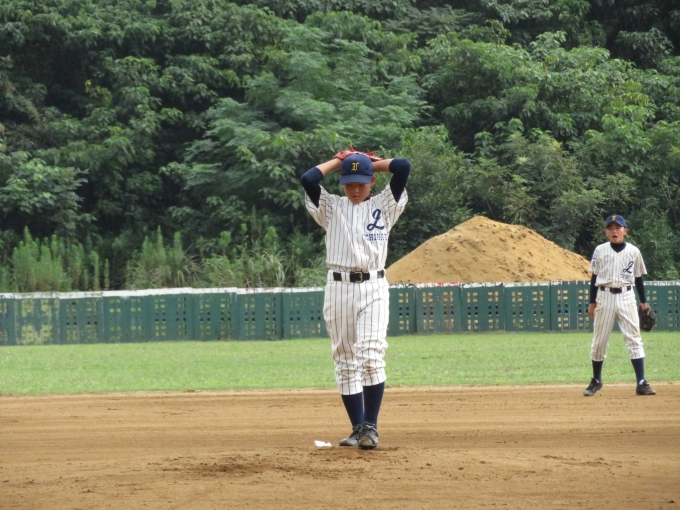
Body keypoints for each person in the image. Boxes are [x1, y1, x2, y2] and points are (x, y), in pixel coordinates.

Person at [300, 149, 410, 449]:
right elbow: (308, 179)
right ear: (342, 183)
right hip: (338, 288)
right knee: (345, 359)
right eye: (349, 183)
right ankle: (358, 428)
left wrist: (369, 162)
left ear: (372, 181)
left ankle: (371, 427)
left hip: (374, 286)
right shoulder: (331, 207)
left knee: (371, 354)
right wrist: (340, 162)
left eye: (361, 182)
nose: (356, 189)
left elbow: (403, 166)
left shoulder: (385, 205)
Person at [584, 214, 656, 397]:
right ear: (606, 232)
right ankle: (596, 380)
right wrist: (592, 303)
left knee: (634, 338)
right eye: (610, 228)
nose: (614, 231)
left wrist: (644, 303)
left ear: (625, 231)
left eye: (618, 228)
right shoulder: (600, 250)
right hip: (604, 296)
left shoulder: (634, 251)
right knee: (599, 340)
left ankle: (641, 382)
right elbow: (593, 278)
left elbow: (638, 279)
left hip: (626, 296)